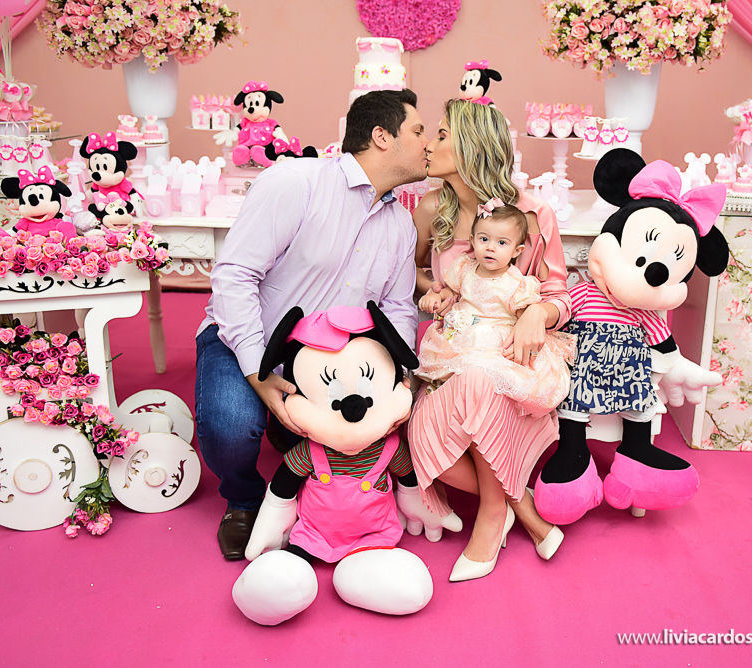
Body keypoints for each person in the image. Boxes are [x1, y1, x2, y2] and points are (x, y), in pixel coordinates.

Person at [196, 90, 438, 560]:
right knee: (232, 427)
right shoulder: (295, 182)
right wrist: (257, 371)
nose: (426, 143)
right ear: (382, 136)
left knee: (346, 439)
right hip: (248, 337)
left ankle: (295, 481)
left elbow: (397, 308)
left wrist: (400, 375)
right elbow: (234, 276)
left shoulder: (401, 224)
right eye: (417, 131)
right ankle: (243, 500)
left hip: (329, 365)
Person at [408, 99, 573, 582]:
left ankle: (491, 517)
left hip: (509, 356)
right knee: (423, 444)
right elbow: (411, 272)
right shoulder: (431, 208)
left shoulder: (532, 214)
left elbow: (558, 293)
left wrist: (536, 313)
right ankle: (520, 507)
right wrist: (440, 292)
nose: (429, 144)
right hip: (452, 351)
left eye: (441, 135)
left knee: (481, 380)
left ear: (472, 147)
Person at [416, 201, 575, 417]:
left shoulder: (516, 283)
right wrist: (435, 296)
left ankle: (481, 408)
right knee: (450, 367)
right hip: (459, 336)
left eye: (501, 242)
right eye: (484, 239)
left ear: (517, 250)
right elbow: (449, 292)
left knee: (485, 372)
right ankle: (447, 393)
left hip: (492, 340)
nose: (491, 247)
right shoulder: (465, 269)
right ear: (472, 241)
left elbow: (522, 318)